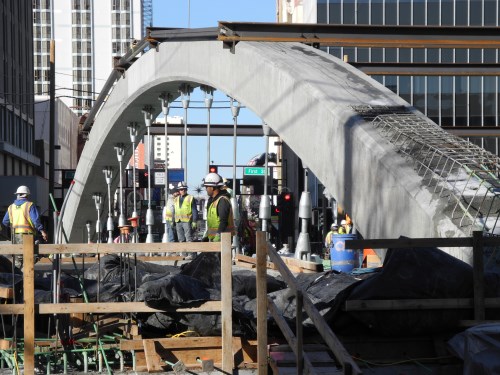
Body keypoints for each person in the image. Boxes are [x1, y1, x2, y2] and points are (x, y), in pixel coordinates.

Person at [2, 186, 48, 268]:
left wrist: (13, 226)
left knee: (17, 258)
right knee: (31, 255)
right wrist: (42, 231)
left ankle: (19, 277)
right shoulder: (29, 205)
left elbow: (5, 222)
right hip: (28, 235)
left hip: (15, 236)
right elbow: (36, 220)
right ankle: (27, 275)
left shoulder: (11, 207)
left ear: (17, 195)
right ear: (27, 195)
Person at [202, 173, 235, 242]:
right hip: (214, 238)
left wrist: (218, 235)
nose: (206, 189)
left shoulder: (222, 200)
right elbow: (213, 222)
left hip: (223, 239)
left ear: (212, 187)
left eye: (206, 187)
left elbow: (223, 221)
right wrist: (207, 234)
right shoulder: (212, 200)